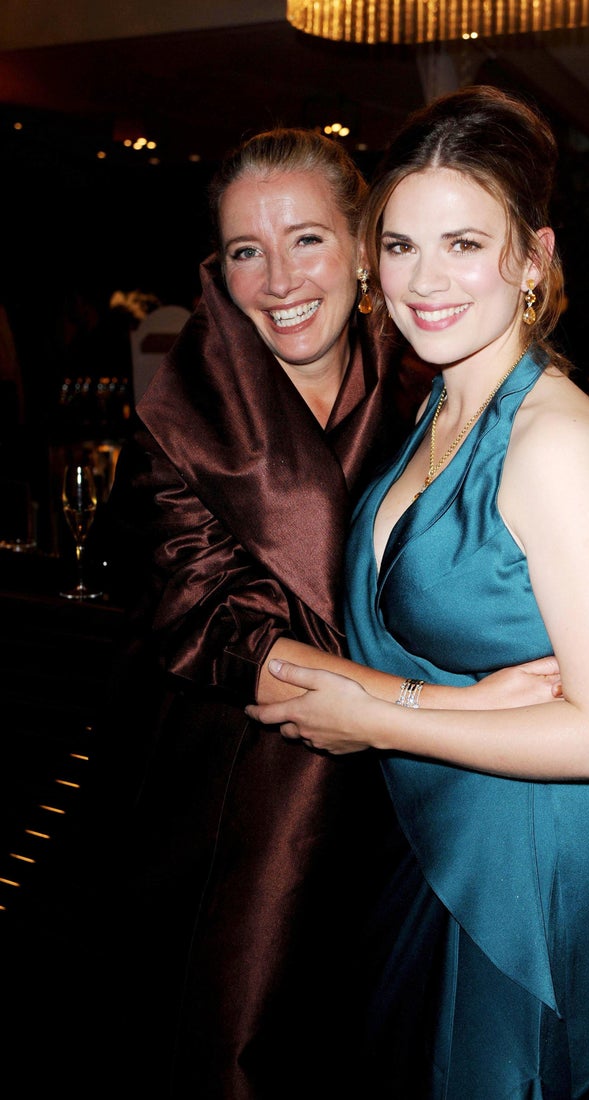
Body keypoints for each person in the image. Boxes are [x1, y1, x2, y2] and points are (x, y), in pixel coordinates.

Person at [63, 126, 561, 1100]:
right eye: (246, 249)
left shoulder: (424, 373)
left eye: (309, 240)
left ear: (364, 248)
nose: (279, 277)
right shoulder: (181, 419)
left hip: (410, 801)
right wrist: (427, 701)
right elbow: (226, 634)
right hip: (233, 797)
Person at [247, 87, 589, 1099]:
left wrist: (383, 713)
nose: (423, 281)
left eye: (464, 244)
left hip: (523, 877)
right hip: (433, 843)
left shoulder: (556, 438)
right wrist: (425, 706)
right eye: (398, 246)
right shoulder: (437, 403)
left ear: (533, 257)